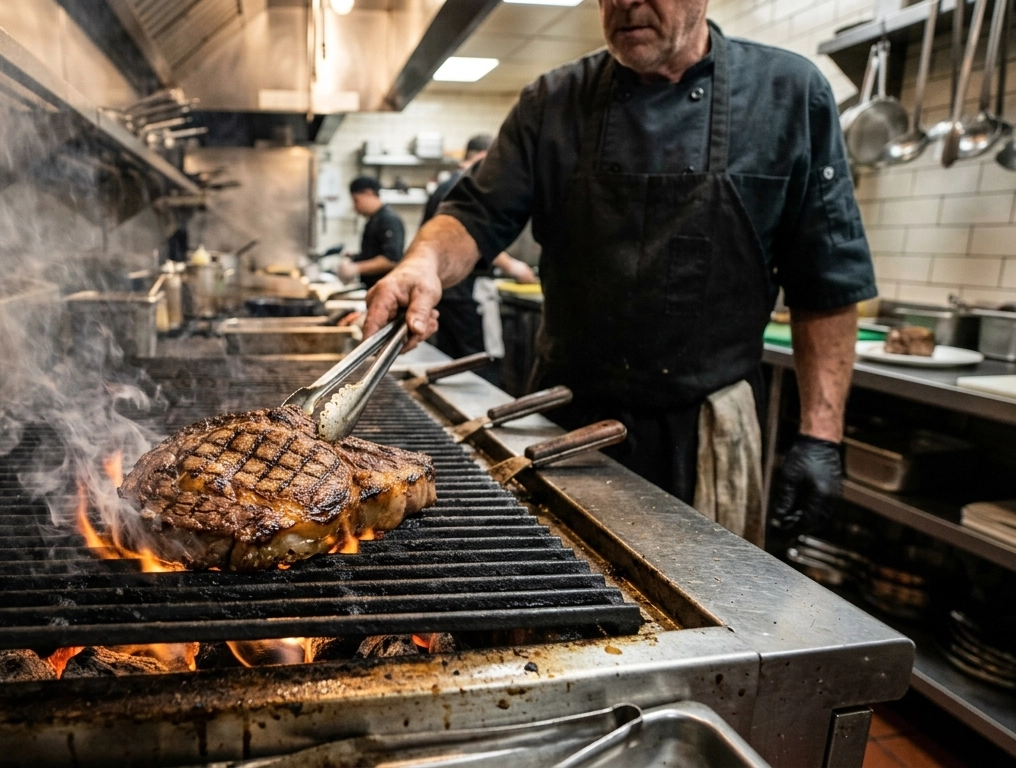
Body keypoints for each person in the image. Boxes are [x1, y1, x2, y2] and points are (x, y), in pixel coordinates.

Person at [362, 0, 875, 540]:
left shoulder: (788, 94)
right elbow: (475, 215)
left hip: (705, 431)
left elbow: (827, 279)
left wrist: (821, 435)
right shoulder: (553, 100)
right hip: (562, 418)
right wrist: (421, 263)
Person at [424, 134, 538, 360]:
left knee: (450, 360)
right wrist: (513, 267)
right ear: (485, 156)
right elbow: (474, 232)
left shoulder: (445, 185)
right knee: (475, 360)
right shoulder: (466, 186)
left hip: (446, 290)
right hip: (465, 291)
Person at [337, 177, 405, 290]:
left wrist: (356, 268)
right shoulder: (374, 219)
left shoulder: (388, 219)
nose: (355, 207)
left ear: (369, 193)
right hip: (372, 288)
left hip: (384, 289)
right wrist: (356, 257)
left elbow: (391, 260)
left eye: (356, 200)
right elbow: (375, 253)